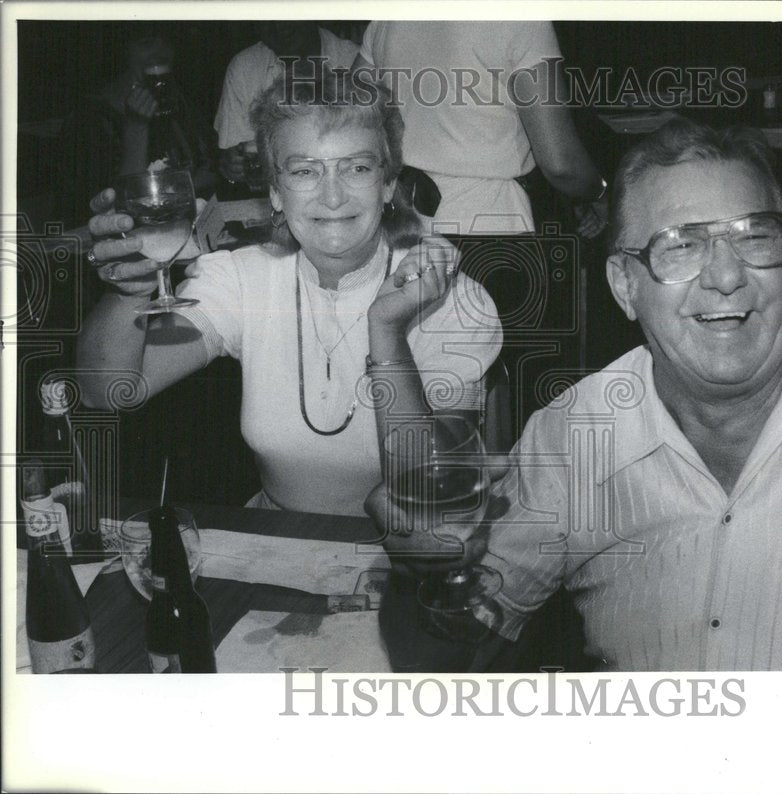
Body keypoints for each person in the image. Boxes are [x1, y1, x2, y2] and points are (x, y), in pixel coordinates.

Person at [367, 117, 782, 671]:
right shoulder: (575, 437)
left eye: (755, 237)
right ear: (624, 286)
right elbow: (450, 655)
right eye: (680, 245)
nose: (726, 275)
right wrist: (422, 575)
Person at [77, 72, 502, 517]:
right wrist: (129, 293)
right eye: (304, 171)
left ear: (389, 184)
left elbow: (436, 497)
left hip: (408, 557)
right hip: (277, 543)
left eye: (356, 167)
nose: (332, 196)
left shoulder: (451, 301)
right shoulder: (242, 279)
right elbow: (106, 391)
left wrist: (388, 331)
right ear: (276, 193)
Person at [354, 21, 608, 237]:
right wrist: (599, 194)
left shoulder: (388, 16)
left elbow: (349, 115)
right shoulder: (520, 17)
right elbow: (560, 164)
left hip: (401, 223)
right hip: (487, 226)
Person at [57, 31, 215, 225]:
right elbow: (112, 205)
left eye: (167, 40)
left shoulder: (179, 101)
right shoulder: (89, 117)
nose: (160, 51)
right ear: (122, 51)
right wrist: (137, 127)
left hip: (186, 227)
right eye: (146, 42)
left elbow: (211, 169)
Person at [215, 22, 359, 193]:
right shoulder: (245, 67)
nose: (279, 26)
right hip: (273, 198)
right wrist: (234, 165)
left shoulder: (357, 61)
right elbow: (237, 157)